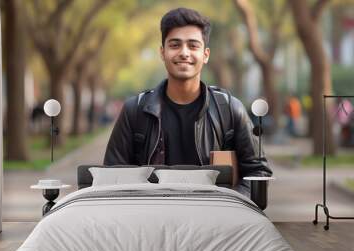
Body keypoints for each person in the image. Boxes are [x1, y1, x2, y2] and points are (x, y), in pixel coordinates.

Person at [104, 7, 272, 197]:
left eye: (193, 45)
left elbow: (258, 174)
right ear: (162, 52)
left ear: (205, 55)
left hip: (214, 222)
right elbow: (111, 178)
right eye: (175, 45)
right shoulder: (134, 110)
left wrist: (229, 206)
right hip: (151, 221)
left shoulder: (230, 110)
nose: (184, 53)